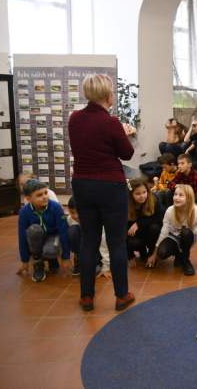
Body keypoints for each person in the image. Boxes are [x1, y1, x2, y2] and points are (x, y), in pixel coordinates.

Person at [68, 73, 135, 312]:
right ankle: (122, 295)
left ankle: (86, 297)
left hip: (82, 184)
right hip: (110, 186)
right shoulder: (111, 122)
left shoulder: (74, 119)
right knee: (116, 242)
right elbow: (127, 153)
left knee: (89, 240)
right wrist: (125, 133)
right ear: (107, 95)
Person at [147, 184, 197, 275]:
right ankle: (179, 255)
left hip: (189, 237)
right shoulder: (170, 210)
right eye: (175, 194)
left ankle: (185, 261)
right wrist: (154, 254)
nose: (176, 198)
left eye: (181, 195)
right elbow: (164, 232)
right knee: (161, 253)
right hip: (173, 236)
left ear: (188, 198)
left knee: (186, 232)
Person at [16, 179, 71, 283]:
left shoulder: (56, 207)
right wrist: (24, 260)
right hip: (36, 238)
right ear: (28, 198)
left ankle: (52, 259)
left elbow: (63, 231)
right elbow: (22, 236)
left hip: (53, 236)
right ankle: (38, 263)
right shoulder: (24, 212)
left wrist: (66, 257)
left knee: (50, 251)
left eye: (46, 193)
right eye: (39, 195)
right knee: (34, 230)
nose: (45, 196)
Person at [67, 197, 111, 279]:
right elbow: (70, 240)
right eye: (72, 212)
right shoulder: (69, 219)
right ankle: (79, 262)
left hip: (98, 250)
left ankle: (97, 263)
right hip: (84, 249)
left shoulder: (97, 221)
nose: (76, 216)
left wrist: (106, 268)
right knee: (72, 231)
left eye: (79, 212)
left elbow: (104, 245)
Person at [126, 178, 163, 266]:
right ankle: (142, 251)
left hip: (151, 233)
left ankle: (151, 253)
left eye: (144, 192)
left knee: (155, 227)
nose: (142, 196)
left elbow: (160, 217)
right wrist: (130, 256)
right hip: (138, 235)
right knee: (130, 239)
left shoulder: (154, 199)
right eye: (138, 194)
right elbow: (123, 230)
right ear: (131, 195)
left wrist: (138, 223)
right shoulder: (126, 205)